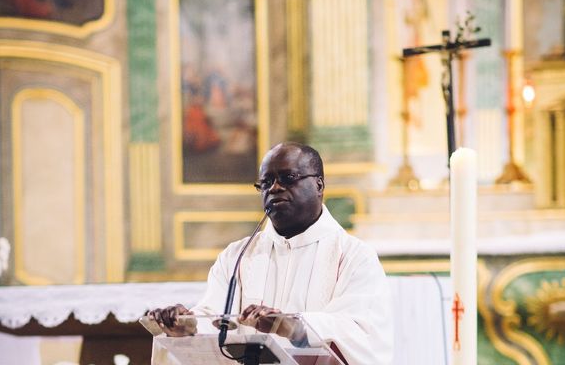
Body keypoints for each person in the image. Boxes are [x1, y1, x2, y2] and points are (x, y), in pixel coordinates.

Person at [148, 142, 394, 364]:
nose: (275, 188)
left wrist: (294, 326)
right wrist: (185, 327)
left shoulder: (353, 256)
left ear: (319, 185)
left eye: (288, 178)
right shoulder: (237, 256)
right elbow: (215, 319)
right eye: (266, 183)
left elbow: (362, 334)